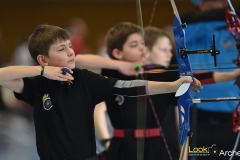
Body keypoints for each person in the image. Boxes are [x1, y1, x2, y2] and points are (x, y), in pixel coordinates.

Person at [0, 24, 202, 160]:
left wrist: (172, 86)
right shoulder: (37, 85)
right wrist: (43, 71)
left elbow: (129, 87)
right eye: (61, 49)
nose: (71, 52)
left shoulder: (84, 79)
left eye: (70, 46)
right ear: (43, 59)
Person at [92, 22, 240, 160]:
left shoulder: (163, 74)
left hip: (157, 148)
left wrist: (232, 74)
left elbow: (200, 76)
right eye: (135, 45)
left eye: (142, 44)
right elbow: (79, 62)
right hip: (122, 147)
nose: (169, 54)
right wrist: (119, 66)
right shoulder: (111, 75)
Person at [181, 0, 240, 159]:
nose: (224, 5)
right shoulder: (190, 25)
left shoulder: (234, 28)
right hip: (197, 117)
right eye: (218, 1)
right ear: (202, 4)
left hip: (232, 119)